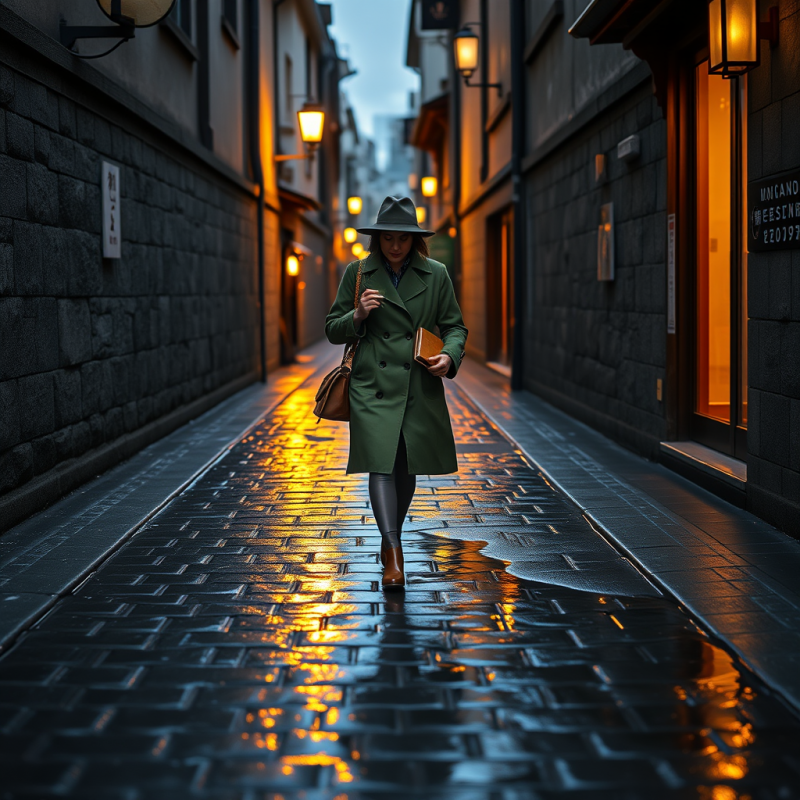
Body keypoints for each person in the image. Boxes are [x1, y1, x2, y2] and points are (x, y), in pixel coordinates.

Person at [325, 196, 468, 589]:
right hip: (372, 386)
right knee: (381, 464)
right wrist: (357, 315)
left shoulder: (436, 274)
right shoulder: (358, 273)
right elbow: (332, 327)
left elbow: (455, 327)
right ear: (377, 239)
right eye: (387, 238)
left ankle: (392, 540)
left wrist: (449, 358)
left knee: (406, 466)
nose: (394, 246)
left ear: (414, 240)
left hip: (418, 383)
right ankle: (393, 552)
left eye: (402, 239)